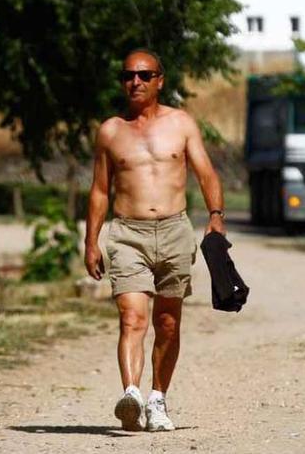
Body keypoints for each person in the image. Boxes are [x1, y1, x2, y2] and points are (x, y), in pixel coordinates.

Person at [84, 48, 226, 432]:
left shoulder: (181, 124)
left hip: (175, 230)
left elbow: (206, 173)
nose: (136, 82)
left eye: (145, 75)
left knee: (167, 323)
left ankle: (157, 399)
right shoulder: (110, 131)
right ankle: (130, 394)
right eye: (129, 75)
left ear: (160, 80)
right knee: (132, 318)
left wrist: (215, 218)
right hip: (128, 234)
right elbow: (99, 190)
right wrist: (91, 241)